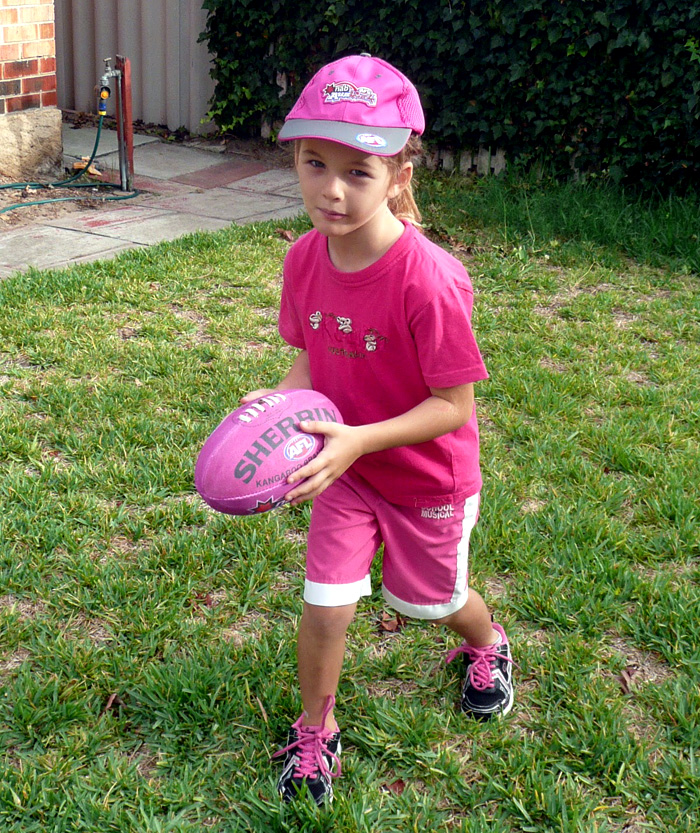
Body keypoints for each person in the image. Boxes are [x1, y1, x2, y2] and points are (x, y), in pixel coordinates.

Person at [241, 53, 514, 806]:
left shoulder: (428, 277)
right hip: (347, 473)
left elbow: (453, 406)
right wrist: (278, 403)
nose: (330, 188)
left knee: (430, 600)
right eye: (312, 163)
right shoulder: (303, 260)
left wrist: (360, 436)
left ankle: (486, 643)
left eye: (357, 171)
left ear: (398, 174)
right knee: (326, 605)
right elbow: (308, 365)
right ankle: (315, 731)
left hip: (427, 478)